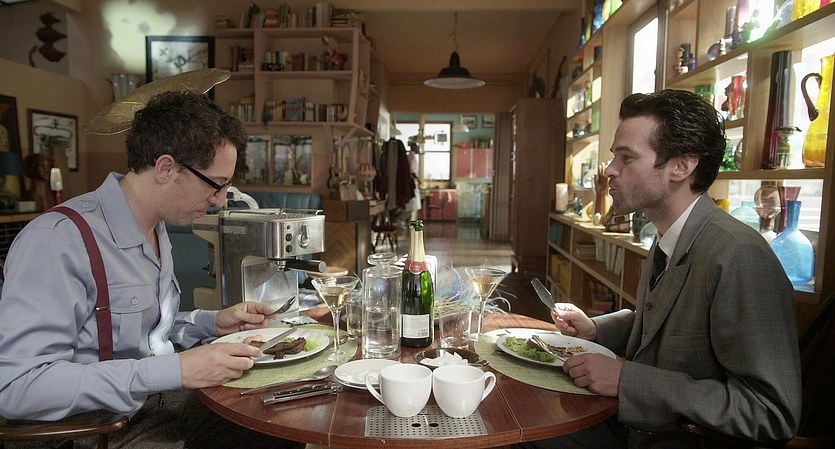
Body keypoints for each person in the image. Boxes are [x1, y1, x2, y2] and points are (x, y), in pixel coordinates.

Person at [0, 91, 303, 449]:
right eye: (216, 185)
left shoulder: (155, 228)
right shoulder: (58, 240)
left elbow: (140, 332)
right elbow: (17, 385)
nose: (220, 201)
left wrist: (211, 323)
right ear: (165, 168)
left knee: (281, 417)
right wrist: (177, 369)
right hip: (97, 430)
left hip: (155, 406)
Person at [518, 90, 801, 449]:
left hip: (667, 439)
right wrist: (596, 330)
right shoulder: (668, 236)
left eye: (626, 158)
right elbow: (665, 322)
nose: (610, 170)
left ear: (681, 166)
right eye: (614, 157)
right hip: (632, 424)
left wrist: (627, 380)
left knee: (520, 430)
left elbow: (771, 413)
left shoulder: (738, 256)